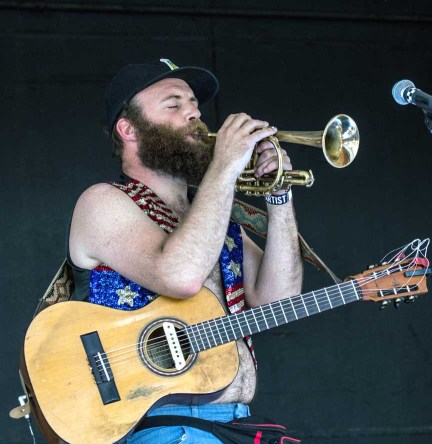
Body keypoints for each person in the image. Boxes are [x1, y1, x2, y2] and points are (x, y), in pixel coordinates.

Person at [67, 57, 303, 443]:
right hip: (166, 425)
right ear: (129, 129)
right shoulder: (102, 202)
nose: (194, 113)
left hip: (233, 424)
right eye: (173, 104)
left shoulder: (213, 215)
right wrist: (224, 167)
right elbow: (180, 276)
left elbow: (278, 303)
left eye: (193, 103)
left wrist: (279, 195)